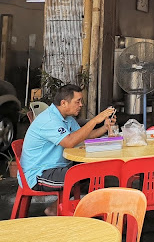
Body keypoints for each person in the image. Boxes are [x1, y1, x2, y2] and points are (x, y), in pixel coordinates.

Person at [20, 84, 115, 215]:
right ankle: (86, 212)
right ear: (64, 103)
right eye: (78, 101)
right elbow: (70, 142)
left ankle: (54, 208)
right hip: (39, 173)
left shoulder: (67, 118)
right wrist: (94, 120)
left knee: (92, 170)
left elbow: (81, 137)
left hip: (55, 168)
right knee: (82, 175)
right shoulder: (49, 120)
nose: (81, 105)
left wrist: (104, 127)